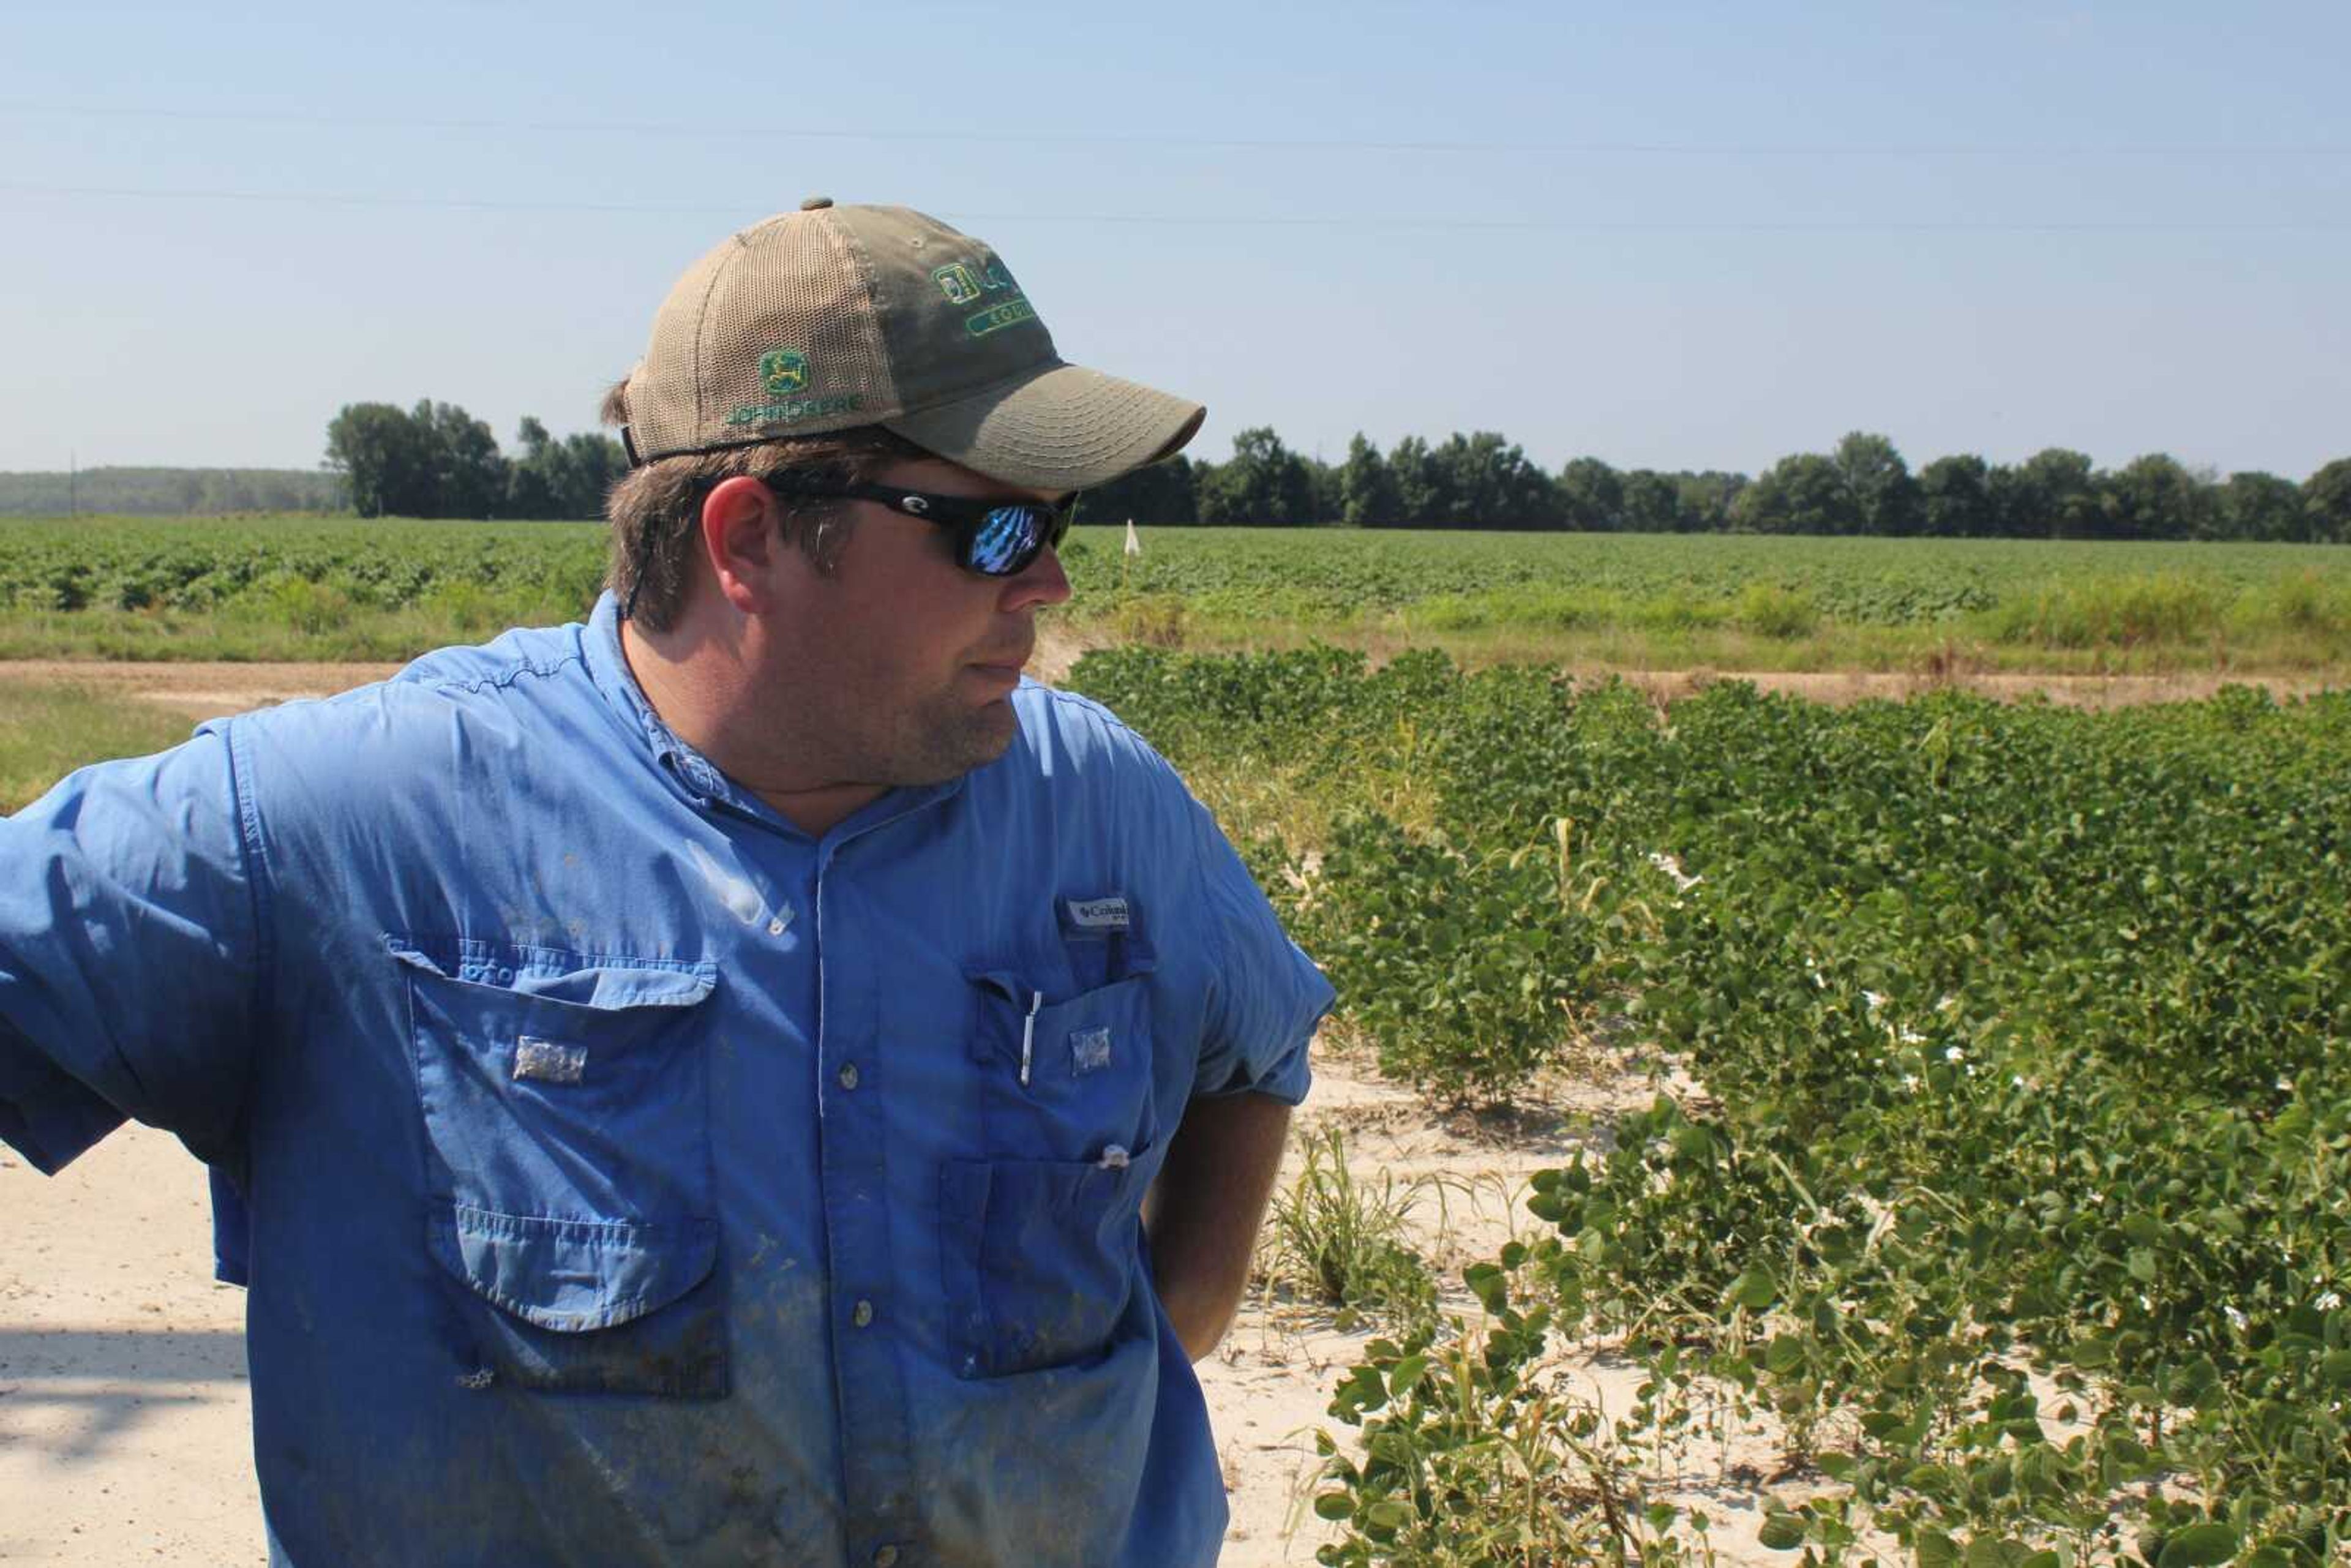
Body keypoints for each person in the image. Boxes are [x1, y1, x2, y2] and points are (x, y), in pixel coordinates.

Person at [0, 198, 1333, 1567]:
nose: (1047, 579)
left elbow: (1254, 1052)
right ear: (748, 538)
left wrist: (1165, 1334)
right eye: (992, 530)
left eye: (1060, 522)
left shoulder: (1098, 809)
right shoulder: (345, 823)